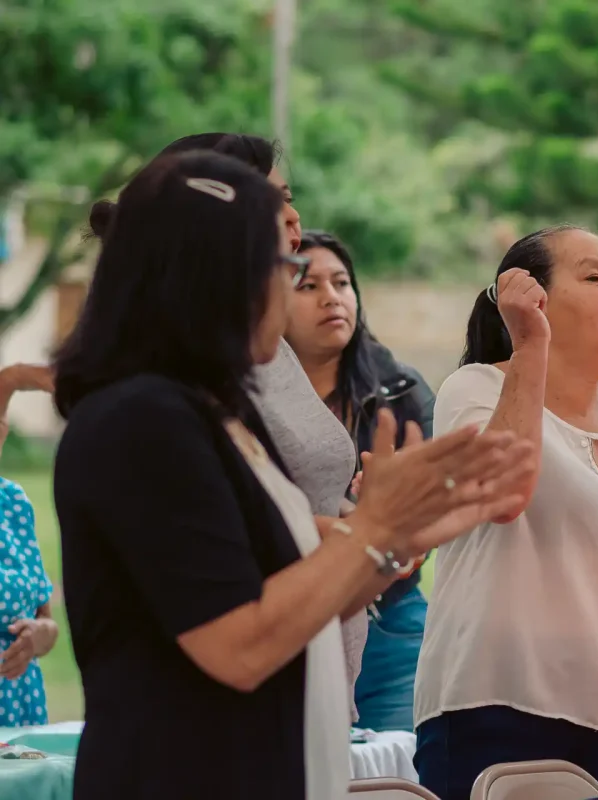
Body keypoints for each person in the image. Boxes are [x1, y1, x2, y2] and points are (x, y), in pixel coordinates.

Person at [52, 150, 535, 800]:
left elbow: (289, 562)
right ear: (216, 276)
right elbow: (240, 646)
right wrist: (376, 530)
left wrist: (399, 533)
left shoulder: (208, 410)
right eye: (286, 269)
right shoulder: (143, 418)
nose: (292, 288)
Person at [412, 225, 598, 798]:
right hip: (493, 700)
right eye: (594, 276)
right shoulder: (473, 388)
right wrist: (530, 346)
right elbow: (503, 496)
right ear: (535, 301)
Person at [150, 133, 371, 720]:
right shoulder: (159, 400)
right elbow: (252, 545)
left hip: (321, 653)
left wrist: (388, 529)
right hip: (235, 708)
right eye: (272, 200)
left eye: (290, 197)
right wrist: (382, 531)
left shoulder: (273, 351)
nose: (295, 217)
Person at [287, 229, 436, 732]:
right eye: (307, 286)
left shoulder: (401, 387)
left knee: (394, 772)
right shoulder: (247, 399)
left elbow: (435, 498)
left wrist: (404, 542)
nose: (332, 296)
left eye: (342, 282)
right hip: (293, 618)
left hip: (392, 620)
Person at [0, 362, 58, 726]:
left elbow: (47, 625)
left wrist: (37, 639)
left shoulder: (14, 504)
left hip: (20, 713)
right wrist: (13, 378)